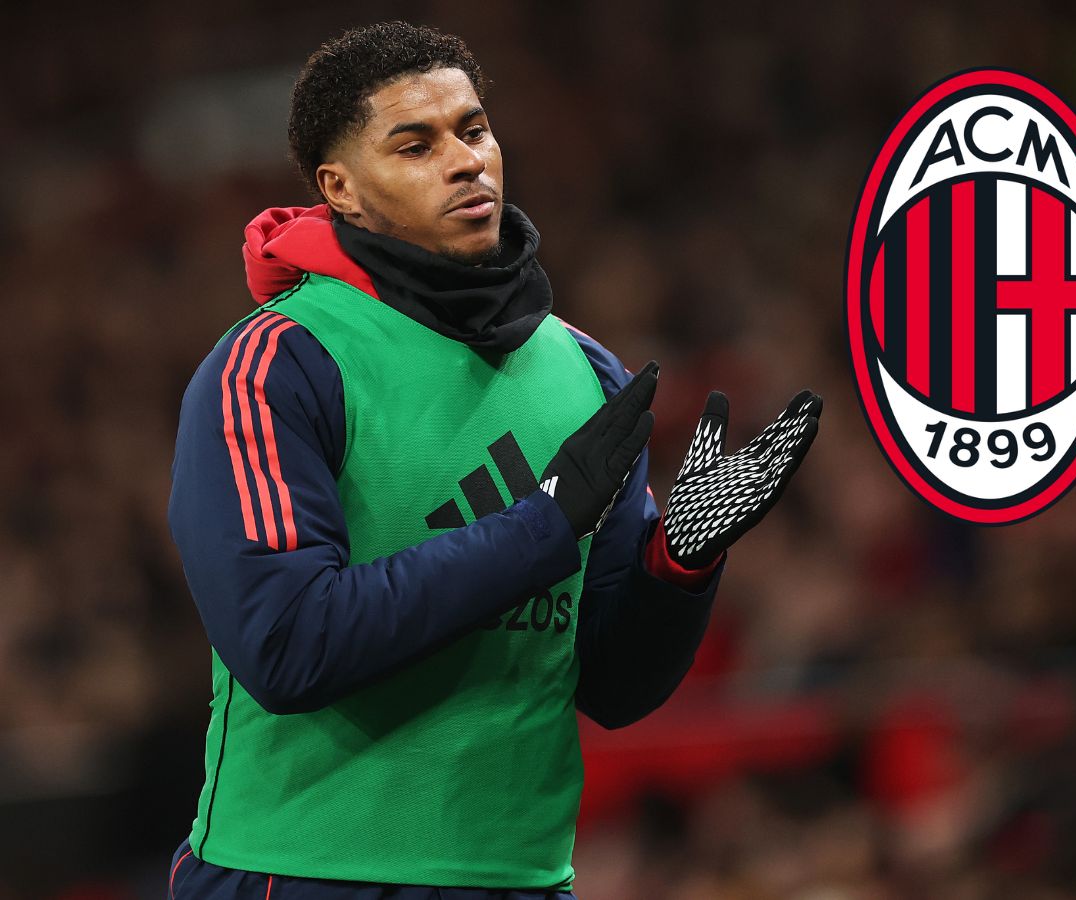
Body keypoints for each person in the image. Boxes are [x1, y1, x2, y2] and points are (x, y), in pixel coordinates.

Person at [165, 20, 821, 900]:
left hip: (522, 878)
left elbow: (614, 690)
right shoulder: (277, 363)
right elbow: (287, 646)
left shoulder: (585, 374)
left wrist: (679, 568)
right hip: (304, 873)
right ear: (342, 189)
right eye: (416, 143)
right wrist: (542, 526)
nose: (466, 159)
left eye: (474, 129)